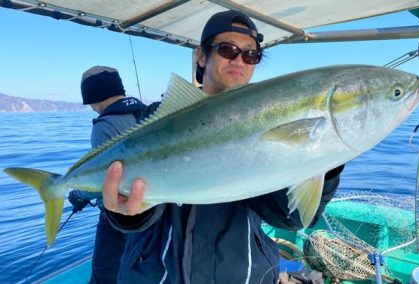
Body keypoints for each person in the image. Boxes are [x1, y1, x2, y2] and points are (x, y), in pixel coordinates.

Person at [101, 10, 345, 283]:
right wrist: (128, 215)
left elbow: (288, 218)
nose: (239, 60)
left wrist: (325, 160)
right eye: (227, 49)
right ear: (202, 56)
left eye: (251, 55)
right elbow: (138, 207)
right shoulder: (155, 121)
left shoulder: (263, 119)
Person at [68, 65, 157, 284]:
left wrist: (78, 195)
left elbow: (104, 177)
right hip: (154, 213)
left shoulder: (104, 125)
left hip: (119, 217)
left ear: (92, 98)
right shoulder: (148, 113)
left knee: (105, 276)